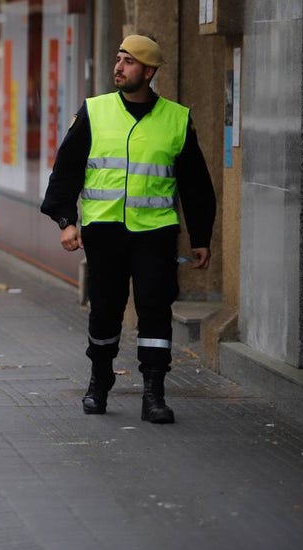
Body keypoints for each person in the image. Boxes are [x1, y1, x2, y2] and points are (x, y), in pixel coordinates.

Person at [40, 34, 216, 424]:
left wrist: (201, 237)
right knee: (105, 309)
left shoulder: (176, 118)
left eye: (129, 62)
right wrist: (67, 221)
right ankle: (99, 381)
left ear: (149, 72)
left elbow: (196, 185)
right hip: (104, 232)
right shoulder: (95, 111)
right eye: (118, 58)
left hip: (155, 234)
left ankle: (154, 392)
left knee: (155, 309)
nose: (118, 67)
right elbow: (66, 170)